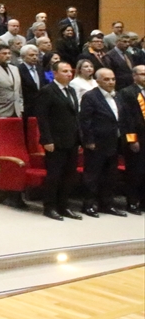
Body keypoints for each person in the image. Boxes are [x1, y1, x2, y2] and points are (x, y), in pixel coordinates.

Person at [36, 61, 83, 220]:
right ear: (55, 73)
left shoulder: (71, 90)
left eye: (70, 71)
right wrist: (47, 139)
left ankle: (64, 206)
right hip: (55, 141)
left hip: (72, 139)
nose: (69, 74)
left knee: (69, 175)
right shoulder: (48, 91)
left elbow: (74, 116)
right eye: (64, 71)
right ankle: (50, 207)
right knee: (54, 176)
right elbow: (42, 118)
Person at [78, 68, 126, 217]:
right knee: (93, 175)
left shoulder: (118, 96)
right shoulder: (90, 96)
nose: (110, 82)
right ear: (97, 81)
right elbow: (85, 120)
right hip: (97, 142)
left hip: (114, 141)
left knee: (110, 175)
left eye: (112, 79)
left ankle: (107, 204)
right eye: (106, 79)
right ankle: (89, 205)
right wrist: (89, 140)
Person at [118, 65, 145, 215]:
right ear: (134, 76)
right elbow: (126, 120)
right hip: (136, 138)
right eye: (142, 74)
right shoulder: (127, 93)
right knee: (136, 172)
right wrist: (132, 140)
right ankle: (132, 202)